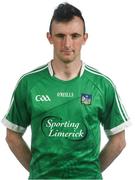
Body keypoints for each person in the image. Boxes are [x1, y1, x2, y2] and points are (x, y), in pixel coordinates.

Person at [2, 2, 130, 180]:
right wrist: (37, 171)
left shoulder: (102, 84)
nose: (67, 43)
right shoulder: (29, 83)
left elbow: (119, 140)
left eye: (75, 35)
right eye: (60, 35)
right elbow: (12, 136)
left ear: (85, 38)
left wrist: (90, 172)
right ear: (49, 37)